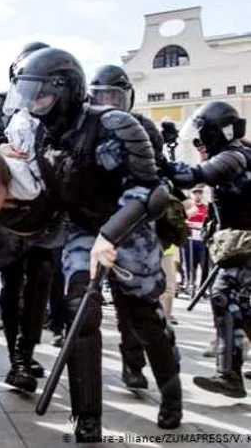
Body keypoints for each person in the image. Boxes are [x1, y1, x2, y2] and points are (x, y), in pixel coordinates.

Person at [7, 47, 182, 441]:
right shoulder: (42, 135)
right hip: (82, 230)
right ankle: (87, 418)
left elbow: (151, 191)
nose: (36, 104)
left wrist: (111, 235)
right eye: (29, 95)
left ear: (66, 89)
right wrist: (2, 210)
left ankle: (171, 393)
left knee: (144, 318)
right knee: (78, 314)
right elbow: (52, 198)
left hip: (129, 227)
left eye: (43, 95)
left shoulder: (115, 124)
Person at [88, 63, 181, 390]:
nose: (109, 102)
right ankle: (133, 364)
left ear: (128, 96)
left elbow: (157, 175)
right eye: (102, 95)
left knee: (139, 304)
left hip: (137, 226)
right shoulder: (91, 127)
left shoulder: (143, 127)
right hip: (102, 226)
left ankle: (147, 366)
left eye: (116, 95)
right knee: (117, 303)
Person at [0, 146, 63, 393]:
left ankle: (23, 356)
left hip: (42, 226)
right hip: (7, 232)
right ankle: (18, 358)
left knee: (40, 280)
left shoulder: (29, 177)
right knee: (12, 286)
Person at [167, 102, 251, 398]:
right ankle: (229, 373)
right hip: (240, 245)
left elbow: (196, 176)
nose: (199, 145)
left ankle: (228, 374)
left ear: (216, 133)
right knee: (241, 304)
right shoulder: (235, 154)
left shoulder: (235, 156)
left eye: (202, 138)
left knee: (226, 296)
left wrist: (158, 161)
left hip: (246, 246)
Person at [183, 185, 209, 289]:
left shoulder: (206, 208)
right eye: (195, 193)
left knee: (204, 264)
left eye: (200, 193)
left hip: (202, 240)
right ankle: (189, 283)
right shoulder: (186, 207)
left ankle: (203, 286)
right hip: (189, 240)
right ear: (191, 194)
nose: (197, 195)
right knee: (189, 264)